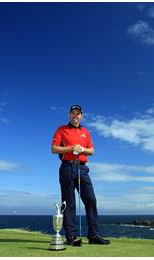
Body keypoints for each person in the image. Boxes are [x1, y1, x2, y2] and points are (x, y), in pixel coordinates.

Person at [51, 104, 110, 246]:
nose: (75, 115)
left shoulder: (85, 132)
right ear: (69, 115)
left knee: (91, 200)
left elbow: (92, 151)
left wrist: (82, 149)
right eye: (73, 113)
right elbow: (54, 149)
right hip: (67, 167)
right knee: (68, 203)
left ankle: (94, 236)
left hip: (82, 169)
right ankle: (71, 237)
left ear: (81, 116)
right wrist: (71, 148)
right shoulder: (61, 129)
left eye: (78, 113)